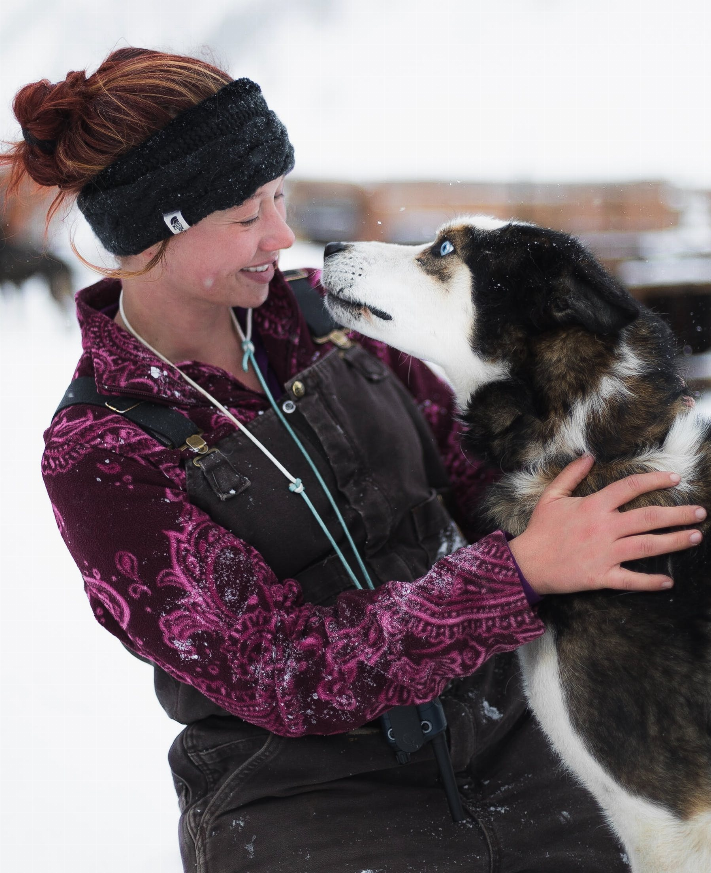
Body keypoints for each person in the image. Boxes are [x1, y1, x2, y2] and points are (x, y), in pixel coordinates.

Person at [3, 47, 705, 873]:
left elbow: (487, 475)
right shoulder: (105, 451)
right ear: (155, 234)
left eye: (280, 196)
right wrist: (514, 576)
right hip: (312, 806)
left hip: (516, 745)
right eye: (244, 216)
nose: (283, 234)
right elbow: (283, 671)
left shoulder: (327, 319)